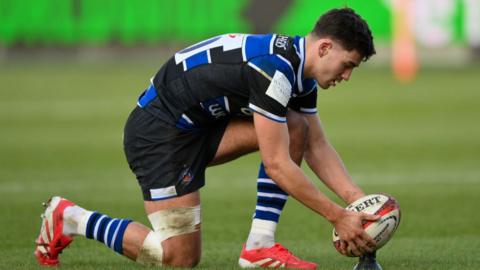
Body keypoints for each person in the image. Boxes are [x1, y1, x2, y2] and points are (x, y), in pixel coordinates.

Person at [34, 8, 382, 270]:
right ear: (324, 48)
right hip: (157, 135)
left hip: (197, 126)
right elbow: (277, 164)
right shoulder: (273, 69)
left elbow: (316, 145)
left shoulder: (297, 69)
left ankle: (259, 245)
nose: (347, 76)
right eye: (347, 64)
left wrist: (361, 205)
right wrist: (337, 216)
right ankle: (70, 218)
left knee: (296, 128)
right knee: (179, 257)